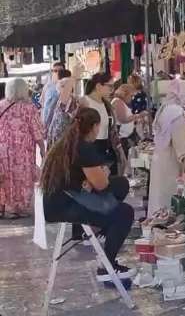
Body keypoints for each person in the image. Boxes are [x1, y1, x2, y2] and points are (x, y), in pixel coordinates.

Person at [40, 108, 136, 280]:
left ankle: (102, 226)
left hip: (58, 200)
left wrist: (94, 179)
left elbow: (94, 181)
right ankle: (107, 265)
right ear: (94, 127)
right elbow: (101, 184)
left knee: (121, 184)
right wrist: (102, 173)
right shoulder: (84, 148)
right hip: (65, 204)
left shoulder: (66, 142)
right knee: (125, 212)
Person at [0, 78, 45, 219]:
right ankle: (19, 208)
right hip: (23, 149)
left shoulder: (1, 105)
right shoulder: (29, 108)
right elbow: (37, 131)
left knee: (5, 176)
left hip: (3, 148)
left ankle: (5, 205)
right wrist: (42, 148)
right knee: (22, 177)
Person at [148, 79, 185, 215]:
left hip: (159, 161)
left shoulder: (163, 109)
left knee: (158, 198)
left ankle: (157, 226)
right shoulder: (177, 114)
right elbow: (182, 148)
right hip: (171, 165)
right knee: (169, 200)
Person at [81, 73, 123, 177]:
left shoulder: (108, 105)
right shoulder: (84, 102)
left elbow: (113, 131)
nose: (112, 90)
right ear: (99, 86)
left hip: (107, 148)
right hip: (90, 148)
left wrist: (120, 151)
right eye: (110, 86)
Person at [111, 84, 147, 156]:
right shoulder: (118, 102)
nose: (132, 98)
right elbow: (123, 119)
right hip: (122, 137)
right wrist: (139, 115)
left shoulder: (121, 102)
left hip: (126, 136)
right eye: (131, 96)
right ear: (124, 94)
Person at [47, 76, 80, 146]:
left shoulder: (72, 99)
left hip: (64, 132)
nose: (64, 88)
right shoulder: (57, 98)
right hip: (57, 130)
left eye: (65, 86)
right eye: (62, 86)